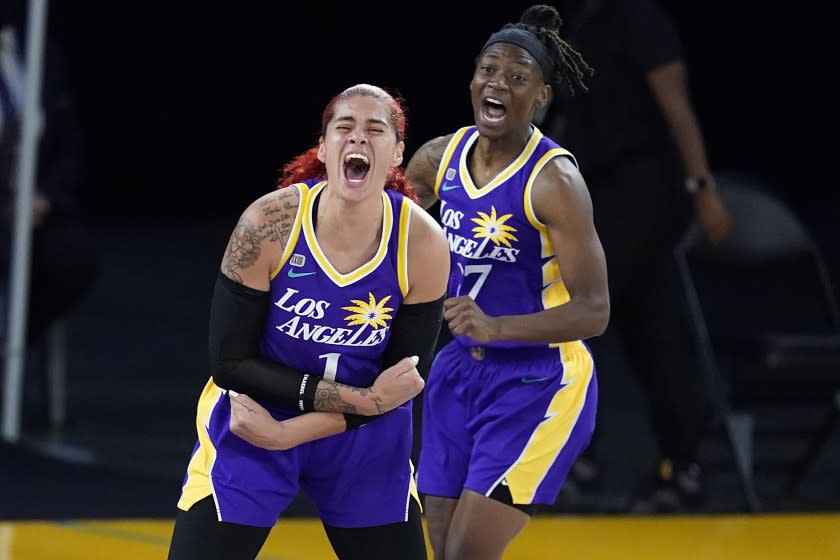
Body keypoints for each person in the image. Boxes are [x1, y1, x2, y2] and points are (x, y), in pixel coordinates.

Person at [166, 83, 450, 560]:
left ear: (397, 152)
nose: (357, 139)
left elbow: (402, 381)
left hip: (362, 437)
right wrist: (353, 403)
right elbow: (230, 363)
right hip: (254, 423)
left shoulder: (422, 243)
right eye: (344, 127)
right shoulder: (269, 224)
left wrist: (292, 434)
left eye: (374, 130)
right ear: (323, 147)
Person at [406, 5, 609, 558]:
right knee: (441, 548)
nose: (498, 83)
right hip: (458, 373)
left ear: (541, 96)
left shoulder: (555, 181)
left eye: (518, 77)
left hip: (539, 380)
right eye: (488, 70)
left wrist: (496, 327)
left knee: (468, 553)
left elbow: (594, 310)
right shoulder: (437, 159)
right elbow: (387, 238)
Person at [544, 0, 732, 512]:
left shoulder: (642, 19)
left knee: (579, 311)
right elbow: (565, 121)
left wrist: (702, 186)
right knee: (652, 324)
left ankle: (577, 457)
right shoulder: (579, 24)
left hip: (645, 187)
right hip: (596, 190)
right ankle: (684, 464)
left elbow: (676, 106)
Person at [1, 4, 100, 427]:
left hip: (27, 211)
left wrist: (44, 197)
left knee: (71, 258)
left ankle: (12, 347)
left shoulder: (37, 50)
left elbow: (66, 142)